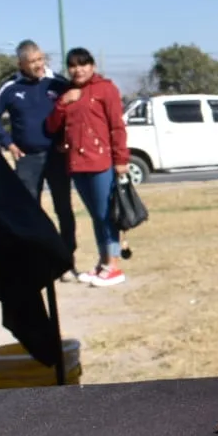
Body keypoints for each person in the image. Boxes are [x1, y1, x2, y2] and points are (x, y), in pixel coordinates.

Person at [0, 40, 77, 280]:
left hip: (57, 156)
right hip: (27, 158)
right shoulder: (10, 87)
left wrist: (68, 139)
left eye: (40, 59)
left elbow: (75, 110)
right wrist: (9, 144)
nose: (37, 65)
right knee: (29, 210)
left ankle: (67, 260)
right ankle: (38, 261)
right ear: (20, 63)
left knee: (63, 208)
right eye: (32, 61)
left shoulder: (58, 83)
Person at [45, 48, 129, 287]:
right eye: (72, 66)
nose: (78, 70)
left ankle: (113, 266)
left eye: (83, 64)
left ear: (92, 65)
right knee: (95, 216)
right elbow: (52, 126)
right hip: (77, 162)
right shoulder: (68, 92)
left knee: (106, 215)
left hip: (101, 161)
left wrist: (121, 159)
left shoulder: (105, 89)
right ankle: (103, 263)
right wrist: (63, 103)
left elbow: (117, 126)